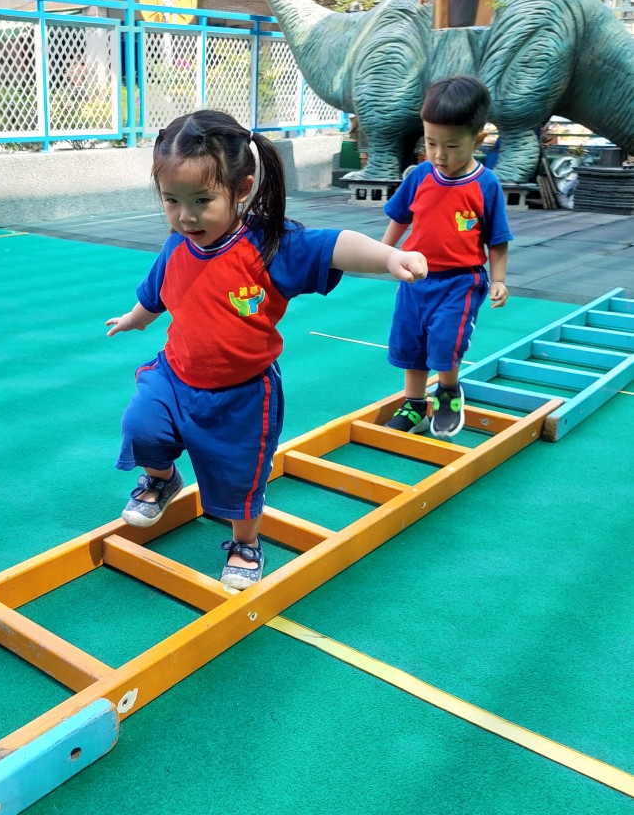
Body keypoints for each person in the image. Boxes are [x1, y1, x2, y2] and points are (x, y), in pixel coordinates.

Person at [106, 110, 427, 591]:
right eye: (172, 201)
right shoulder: (177, 246)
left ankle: (245, 543)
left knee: (241, 478)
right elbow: (156, 294)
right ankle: (161, 478)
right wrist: (136, 317)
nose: (185, 216)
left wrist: (390, 256)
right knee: (141, 426)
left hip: (242, 394)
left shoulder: (270, 244)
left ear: (242, 188)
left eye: (201, 201)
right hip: (175, 376)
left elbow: (334, 245)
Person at [381, 75, 512, 440]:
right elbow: (399, 218)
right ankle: (413, 405)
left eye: (451, 146)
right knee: (410, 342)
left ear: (478, 140)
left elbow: (497, 239)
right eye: (431, 142)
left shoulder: (485, 185)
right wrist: (384, 254)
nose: (439, 154)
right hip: (416, 278)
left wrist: (499, 279)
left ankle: (448, 392)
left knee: (444, 340)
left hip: (460, 281)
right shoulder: (420, 175)